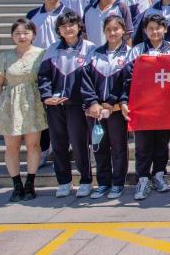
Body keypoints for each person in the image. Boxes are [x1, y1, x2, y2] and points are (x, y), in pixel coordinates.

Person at [37, 11, 96, 199]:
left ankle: (85, 180)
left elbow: (93, 77)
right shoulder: (52, 49)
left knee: (80, 144)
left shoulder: (90, 48)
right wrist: (46, 96)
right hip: (55, 105)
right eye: (63, 26)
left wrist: (89, 101)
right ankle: (64, 181)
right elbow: (43, 76)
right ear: (58, 30)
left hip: (78, 105)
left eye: (71, 25)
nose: (68, 29)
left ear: (79, 27)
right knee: (58, 144)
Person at [127, 14, 170, 200]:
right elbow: (128, 76)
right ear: (145, 30)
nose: (155, 32)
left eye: (158, 28)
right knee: (142, 144)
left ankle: (159, 174)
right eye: (150, 28)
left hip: (165, 105)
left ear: (165, 29)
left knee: (161, 142)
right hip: (143, 105)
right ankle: (143, 178)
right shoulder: (137, 50)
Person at [0, 19, 47, 202]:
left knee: (33, 145)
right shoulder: (5, 56)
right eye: (17, 33)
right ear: (12, 36)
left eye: (26, 33)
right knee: (11, 147)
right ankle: (17, 185)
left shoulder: (42, 54)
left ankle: (30, 183)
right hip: (10, 104)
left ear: (33, 35)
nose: (22, 36)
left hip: (33, 103)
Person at [80, 15, 131, 200]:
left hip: (116, 110)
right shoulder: (94, 53)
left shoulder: (129, 53)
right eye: (108, 29)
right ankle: (103, 183)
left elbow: (127, 82)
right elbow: (85, 79)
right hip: (95, 112)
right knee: (99, 147)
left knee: (118, 147)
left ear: (123, 30)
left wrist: (111, 103)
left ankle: (118, 183)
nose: (112, 33)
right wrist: (93, 102)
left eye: (116, 29)